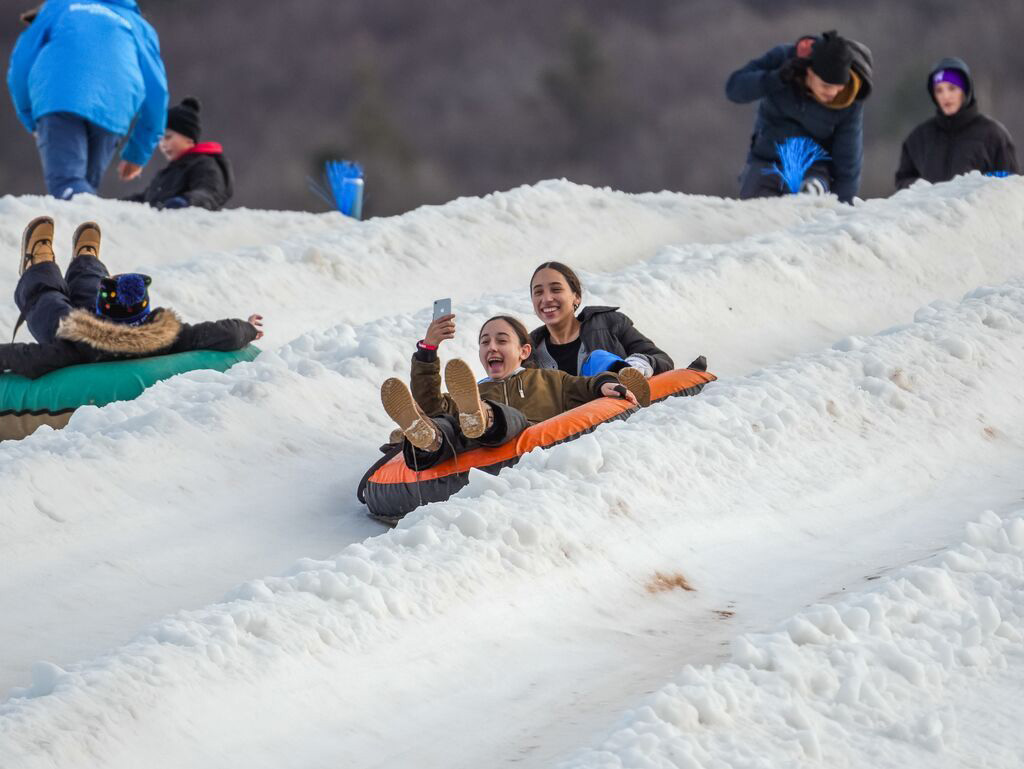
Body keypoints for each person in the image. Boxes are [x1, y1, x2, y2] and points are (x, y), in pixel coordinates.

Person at [1, 216, 263, 379]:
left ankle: (37, 265)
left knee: (47, 301)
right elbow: (225, 334)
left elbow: (25, 356)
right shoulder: (169, 337)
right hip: (109, 329)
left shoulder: (75, 348)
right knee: (93, 291)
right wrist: (248, 328)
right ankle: (86, 259)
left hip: (79, 336)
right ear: (145, 312)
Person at [379, 314, 649, 471]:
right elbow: (433, 402)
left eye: (501, 340)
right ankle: (428, 438)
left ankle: (484, 416)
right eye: (485, 342)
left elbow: (587, 386)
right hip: (478, 447)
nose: (491, 347)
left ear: (524, 351)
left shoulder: (551, 380)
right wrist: (428, 349)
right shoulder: (476, 390)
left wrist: (605, 383)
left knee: (512, 418)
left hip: (527, 438)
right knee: (447, 421)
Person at [7, 0, 168, 199]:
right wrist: (137, 154)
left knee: (68, 183)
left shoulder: (59, 7)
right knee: (84, 187)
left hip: (60, 96)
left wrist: (30, 117)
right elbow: (157, 93)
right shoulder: (138, 25)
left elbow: (21, 64)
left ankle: (89, 217)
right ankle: (86, 222)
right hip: (114, 109)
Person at [725, 30, 873, 204]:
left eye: (839, 87)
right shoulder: (782, 58)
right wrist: (776, 78)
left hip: (813, 167)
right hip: (766, 160)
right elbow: (734, 89)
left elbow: (848, 160)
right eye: (826, 85)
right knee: (754, 211)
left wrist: (841, 208)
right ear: (810, 72)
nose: (833, 93)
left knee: (809, 198)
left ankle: (811, 194)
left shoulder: (850, 101)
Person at [527, 261, 681, 378]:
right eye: (538, 292)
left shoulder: (609, 324)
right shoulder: (528, 349)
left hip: (617, 414)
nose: (546, 298)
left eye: (556, 289)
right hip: (565, 419)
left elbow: (663, 360)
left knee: (598, 359)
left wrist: (636, 366)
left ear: (576, 297)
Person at [895, 58, 1018, 189]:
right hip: (931, 209)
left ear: (965, 90)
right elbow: (903, 181)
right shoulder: (918, 138)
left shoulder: (994, 135)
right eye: (939, 90)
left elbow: (1010, 187)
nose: (945, 96)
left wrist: (982, 188)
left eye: (952, 88)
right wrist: (921, 189)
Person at [125, 96, 234, 210]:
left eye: (168, 137)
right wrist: (118, 205)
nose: (162, 144)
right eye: (159, 139)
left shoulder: (204, 165)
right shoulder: (168, 172)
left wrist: (186, 201)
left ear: (189, 139)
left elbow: (209, 192)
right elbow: (146, 199)